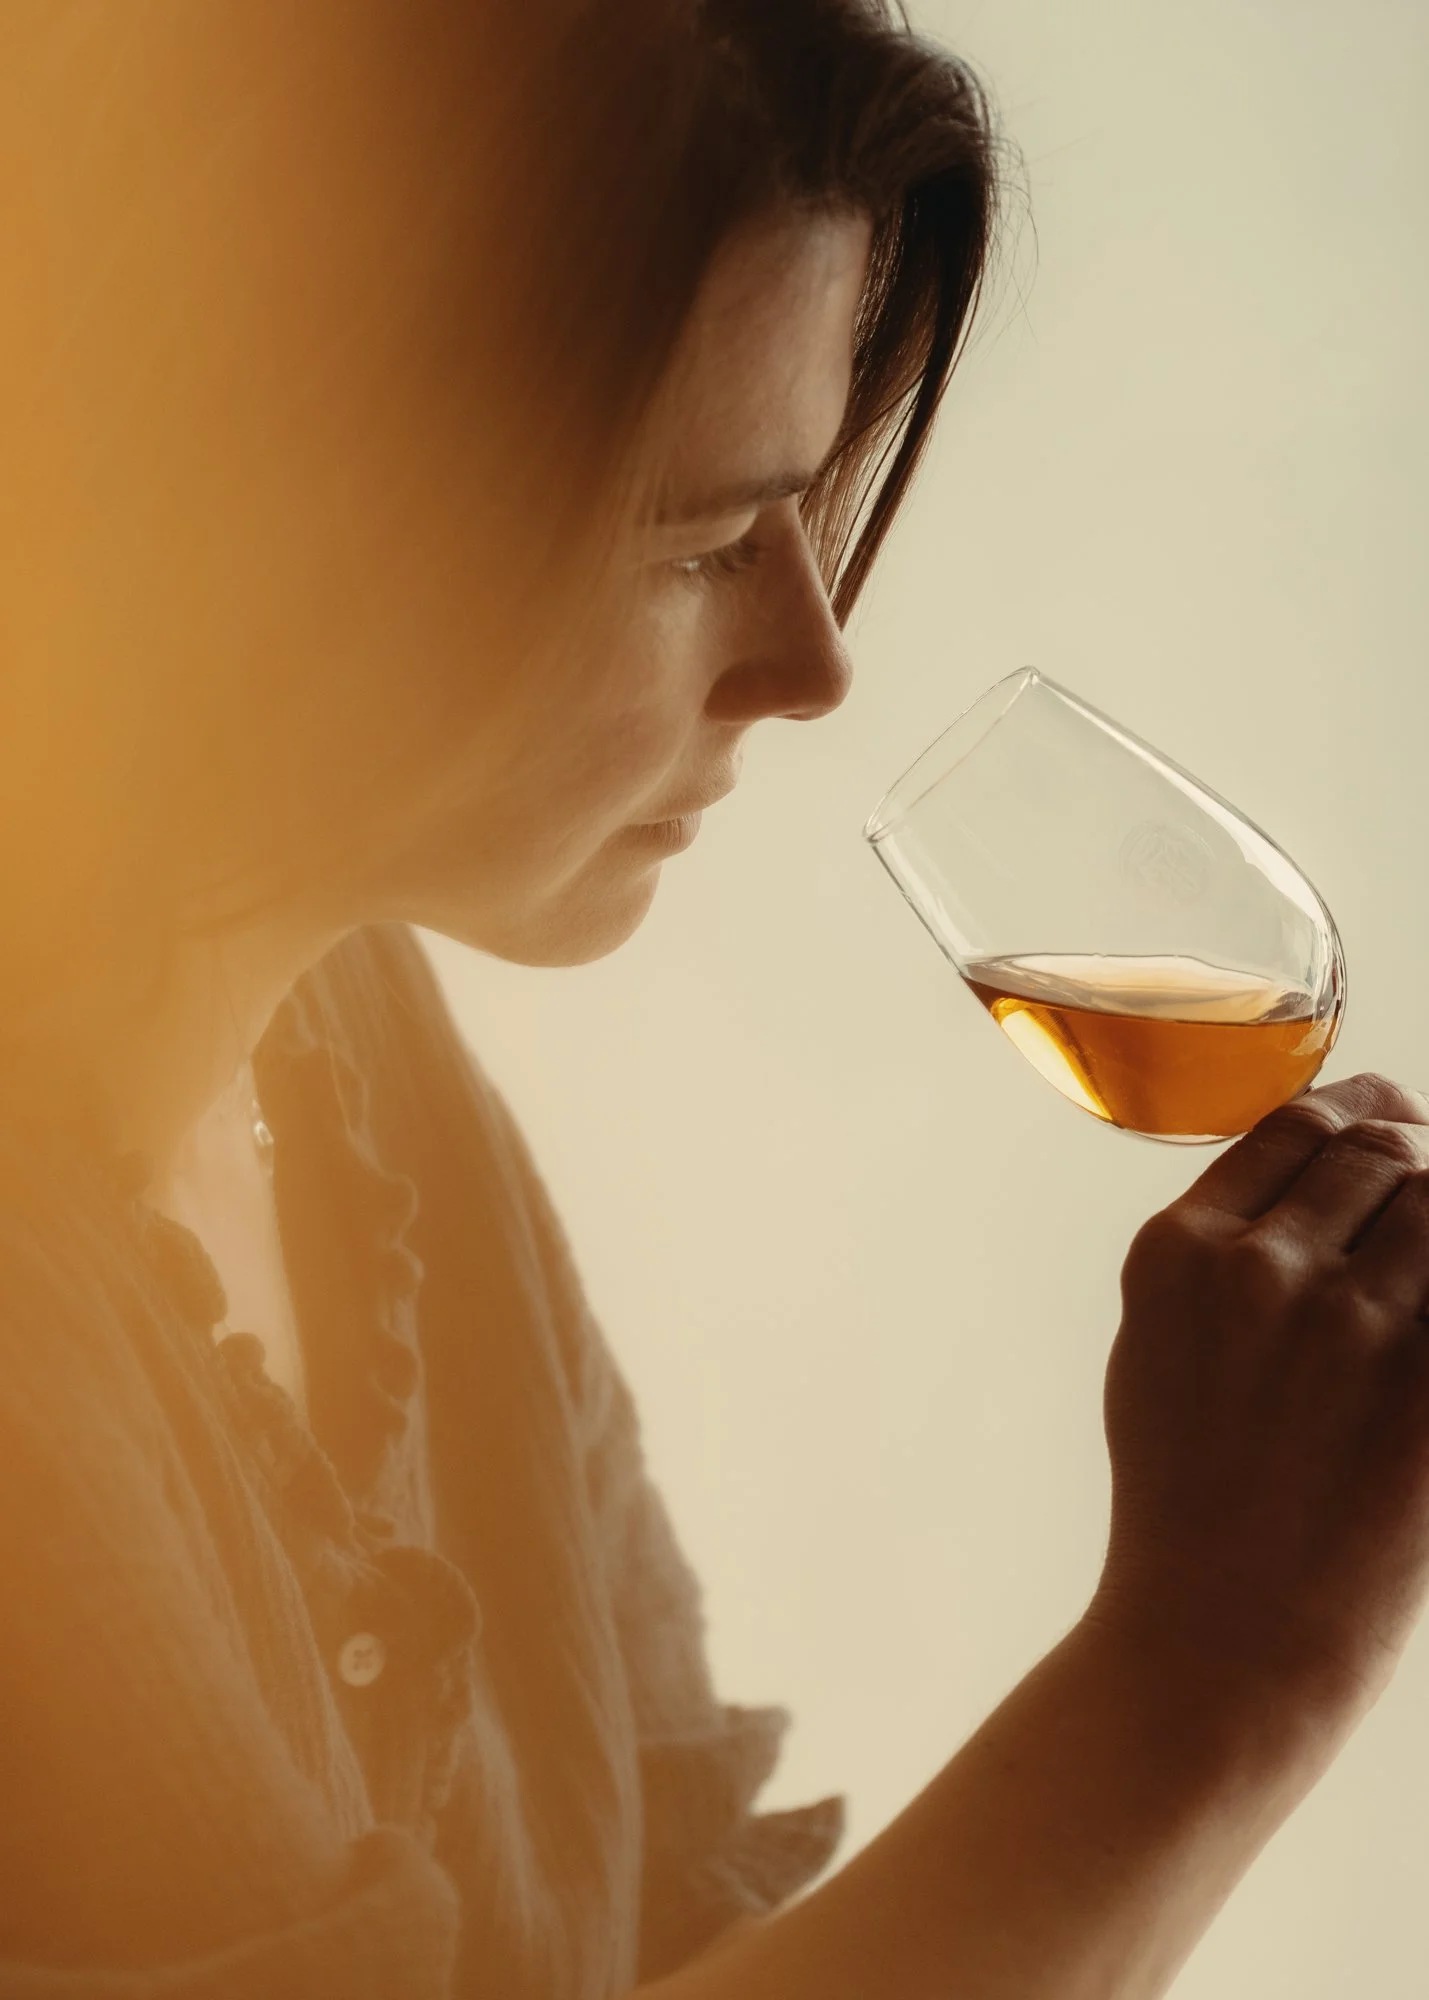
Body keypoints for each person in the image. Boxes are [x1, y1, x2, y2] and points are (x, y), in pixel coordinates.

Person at [3, 4, 1429, 1996]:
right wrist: (1223, 1666)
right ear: (291, 511)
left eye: (797, 513)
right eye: (695, 542)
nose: (812, 662)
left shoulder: (352, 1063)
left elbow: (671, 1934)